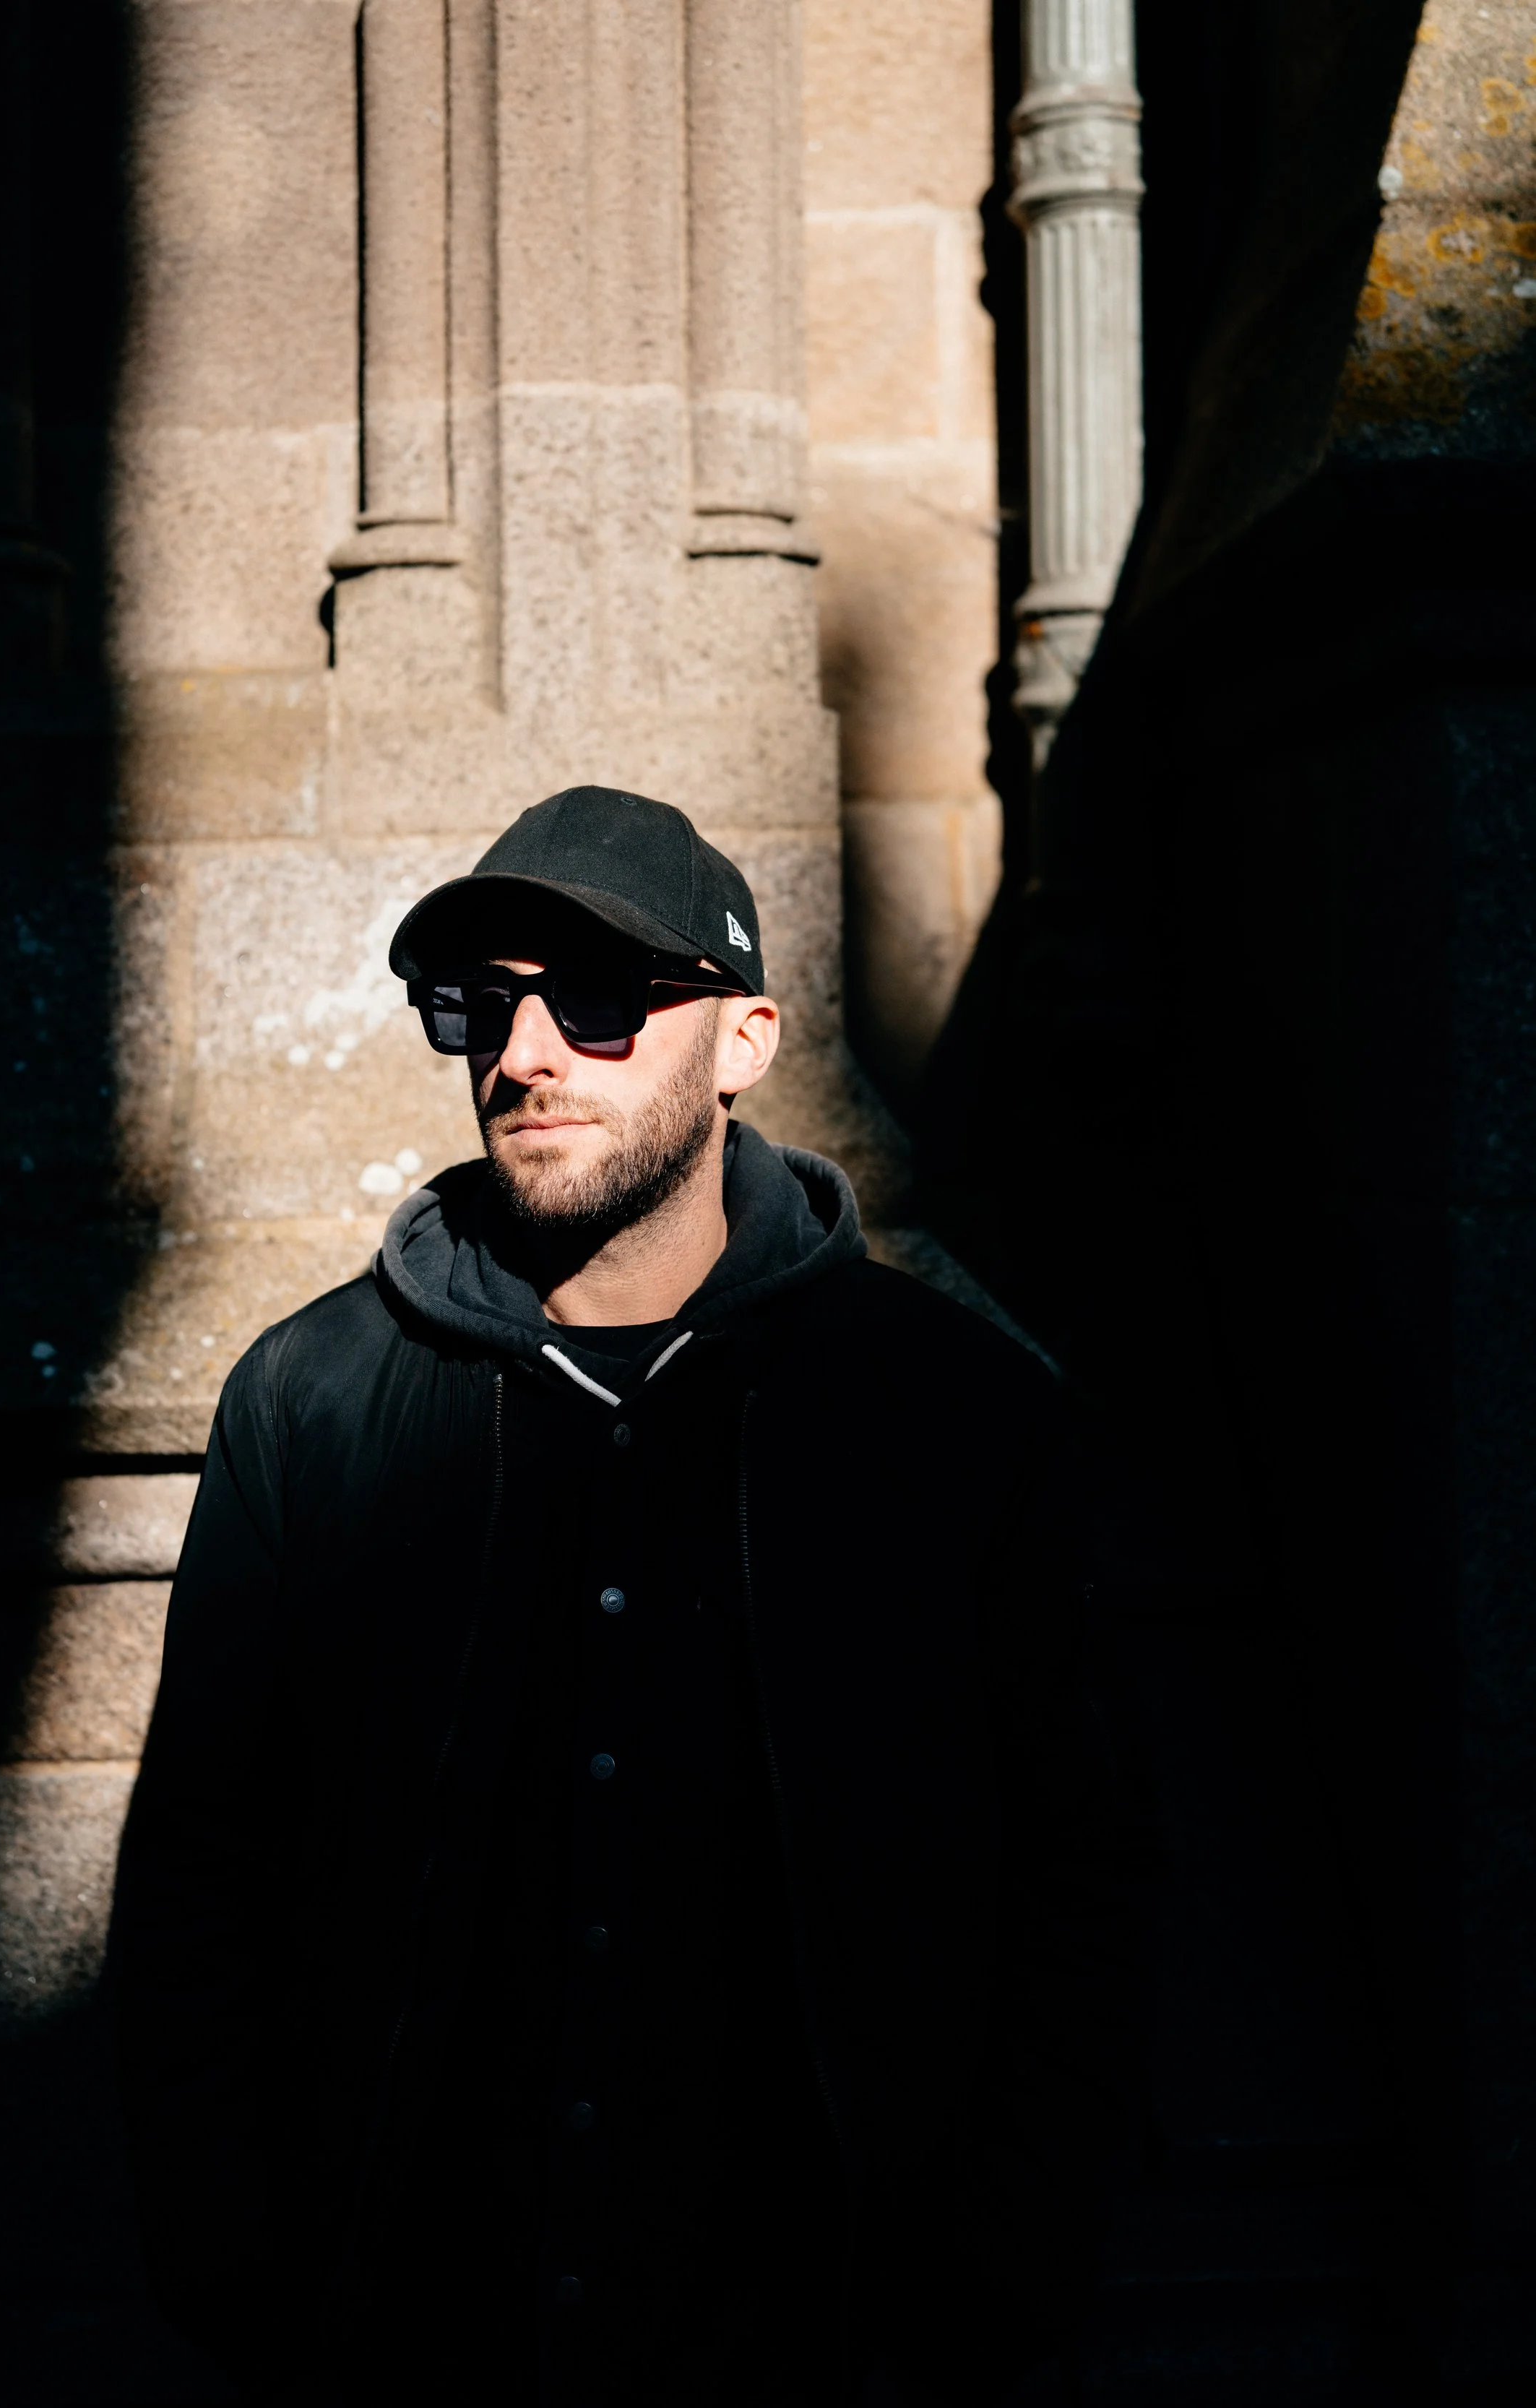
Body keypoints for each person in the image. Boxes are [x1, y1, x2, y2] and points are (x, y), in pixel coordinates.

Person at [111, 786, 1140, 2408]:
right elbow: (200, 1868)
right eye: (483, 1005)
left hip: (822, 2347)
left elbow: (1084, 1875)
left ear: (744, 1040)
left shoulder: (958, 1417)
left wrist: (995, 2283)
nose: (522, 1055)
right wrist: (236, 2265)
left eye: (595, 1000)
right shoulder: (307, 1401)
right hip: (412, 2347)